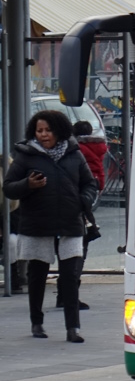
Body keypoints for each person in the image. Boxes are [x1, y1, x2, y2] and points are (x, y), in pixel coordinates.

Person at [2, 110, 99, 342]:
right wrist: (28, 184)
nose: (44, 135)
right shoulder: (25, 155)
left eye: (47, 130)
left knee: (70, 276)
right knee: (37, 276)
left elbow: (89, 184)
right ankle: (37, 323)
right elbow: (8, 187)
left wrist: (83, 200)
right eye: (39, 131)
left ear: (59, 130)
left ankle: (73, 328)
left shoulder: (74, 153)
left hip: (70, 223)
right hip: (38, 223)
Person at [64, 121, 106, 310]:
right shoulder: (97, 148)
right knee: (80, 247)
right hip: (84, 202)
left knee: (70, 249)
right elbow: (95, 176)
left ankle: (66, 293)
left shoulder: (74, 150)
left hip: (72, 202)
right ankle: (70, 292)